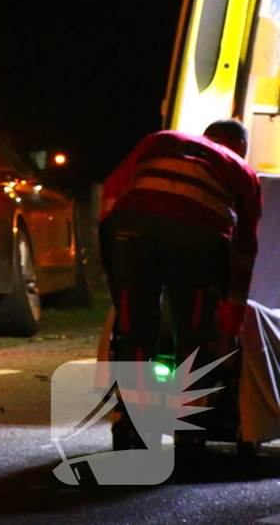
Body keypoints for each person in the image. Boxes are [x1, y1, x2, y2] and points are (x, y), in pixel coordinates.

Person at [99, 119, 262, 450]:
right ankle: (190, 433)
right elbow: (244, 250)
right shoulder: (241, 169)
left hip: (132, 230)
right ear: (240, 146)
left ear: (205, 139)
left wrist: (117, 275)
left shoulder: (161, 139)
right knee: (193, 335)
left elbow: (112, 191)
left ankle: (132, 430)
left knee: (136, 333)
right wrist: (230, 322)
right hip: (197, 240)